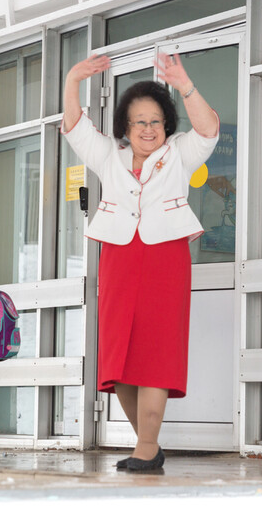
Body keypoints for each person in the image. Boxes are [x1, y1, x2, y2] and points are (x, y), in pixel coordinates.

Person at [61, 52, 219, 472]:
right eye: (138, 122)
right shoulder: (108, 156)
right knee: (120, 361)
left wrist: (186, 86)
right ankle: (147, 443)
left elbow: (208, 129)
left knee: (155, 354)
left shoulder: (179, 155)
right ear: (125, 128)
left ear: (166, 123)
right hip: (118, 258)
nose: (148, 129)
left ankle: (147, 448)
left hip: (165, 259)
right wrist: (73, 78)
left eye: (155, 121)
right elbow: (75, 126)